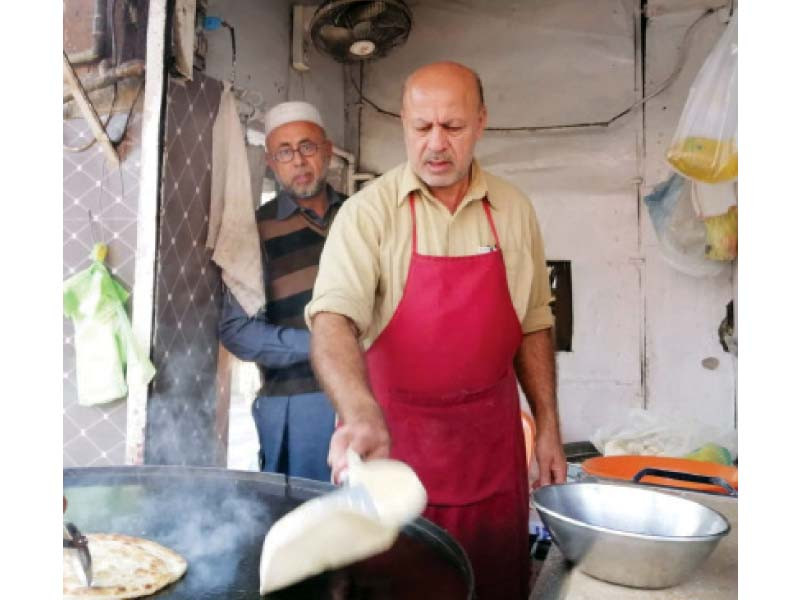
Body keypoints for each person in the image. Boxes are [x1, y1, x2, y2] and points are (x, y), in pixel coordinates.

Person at [306, 62, 567, 599]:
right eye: (421, 127)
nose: (435, 144)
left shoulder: (513, 210)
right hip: (394, 456)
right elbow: (333, 320)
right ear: (403, 122)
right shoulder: (368, 214)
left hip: (491, 455)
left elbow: (535, 323)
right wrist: (359, 412)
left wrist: (547, 425)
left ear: (481, 122)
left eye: (452, 126)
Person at [219, 101, 346, 481]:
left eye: (307, 147)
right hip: (298, 403)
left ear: (327, 151)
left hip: (378, 395)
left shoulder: (363, 216)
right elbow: (237, 332)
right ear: (271, 162)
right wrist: (322, 345)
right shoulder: (254, 231)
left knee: (378, 522)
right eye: (285, 152)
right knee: (307, 525)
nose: (299, 161)